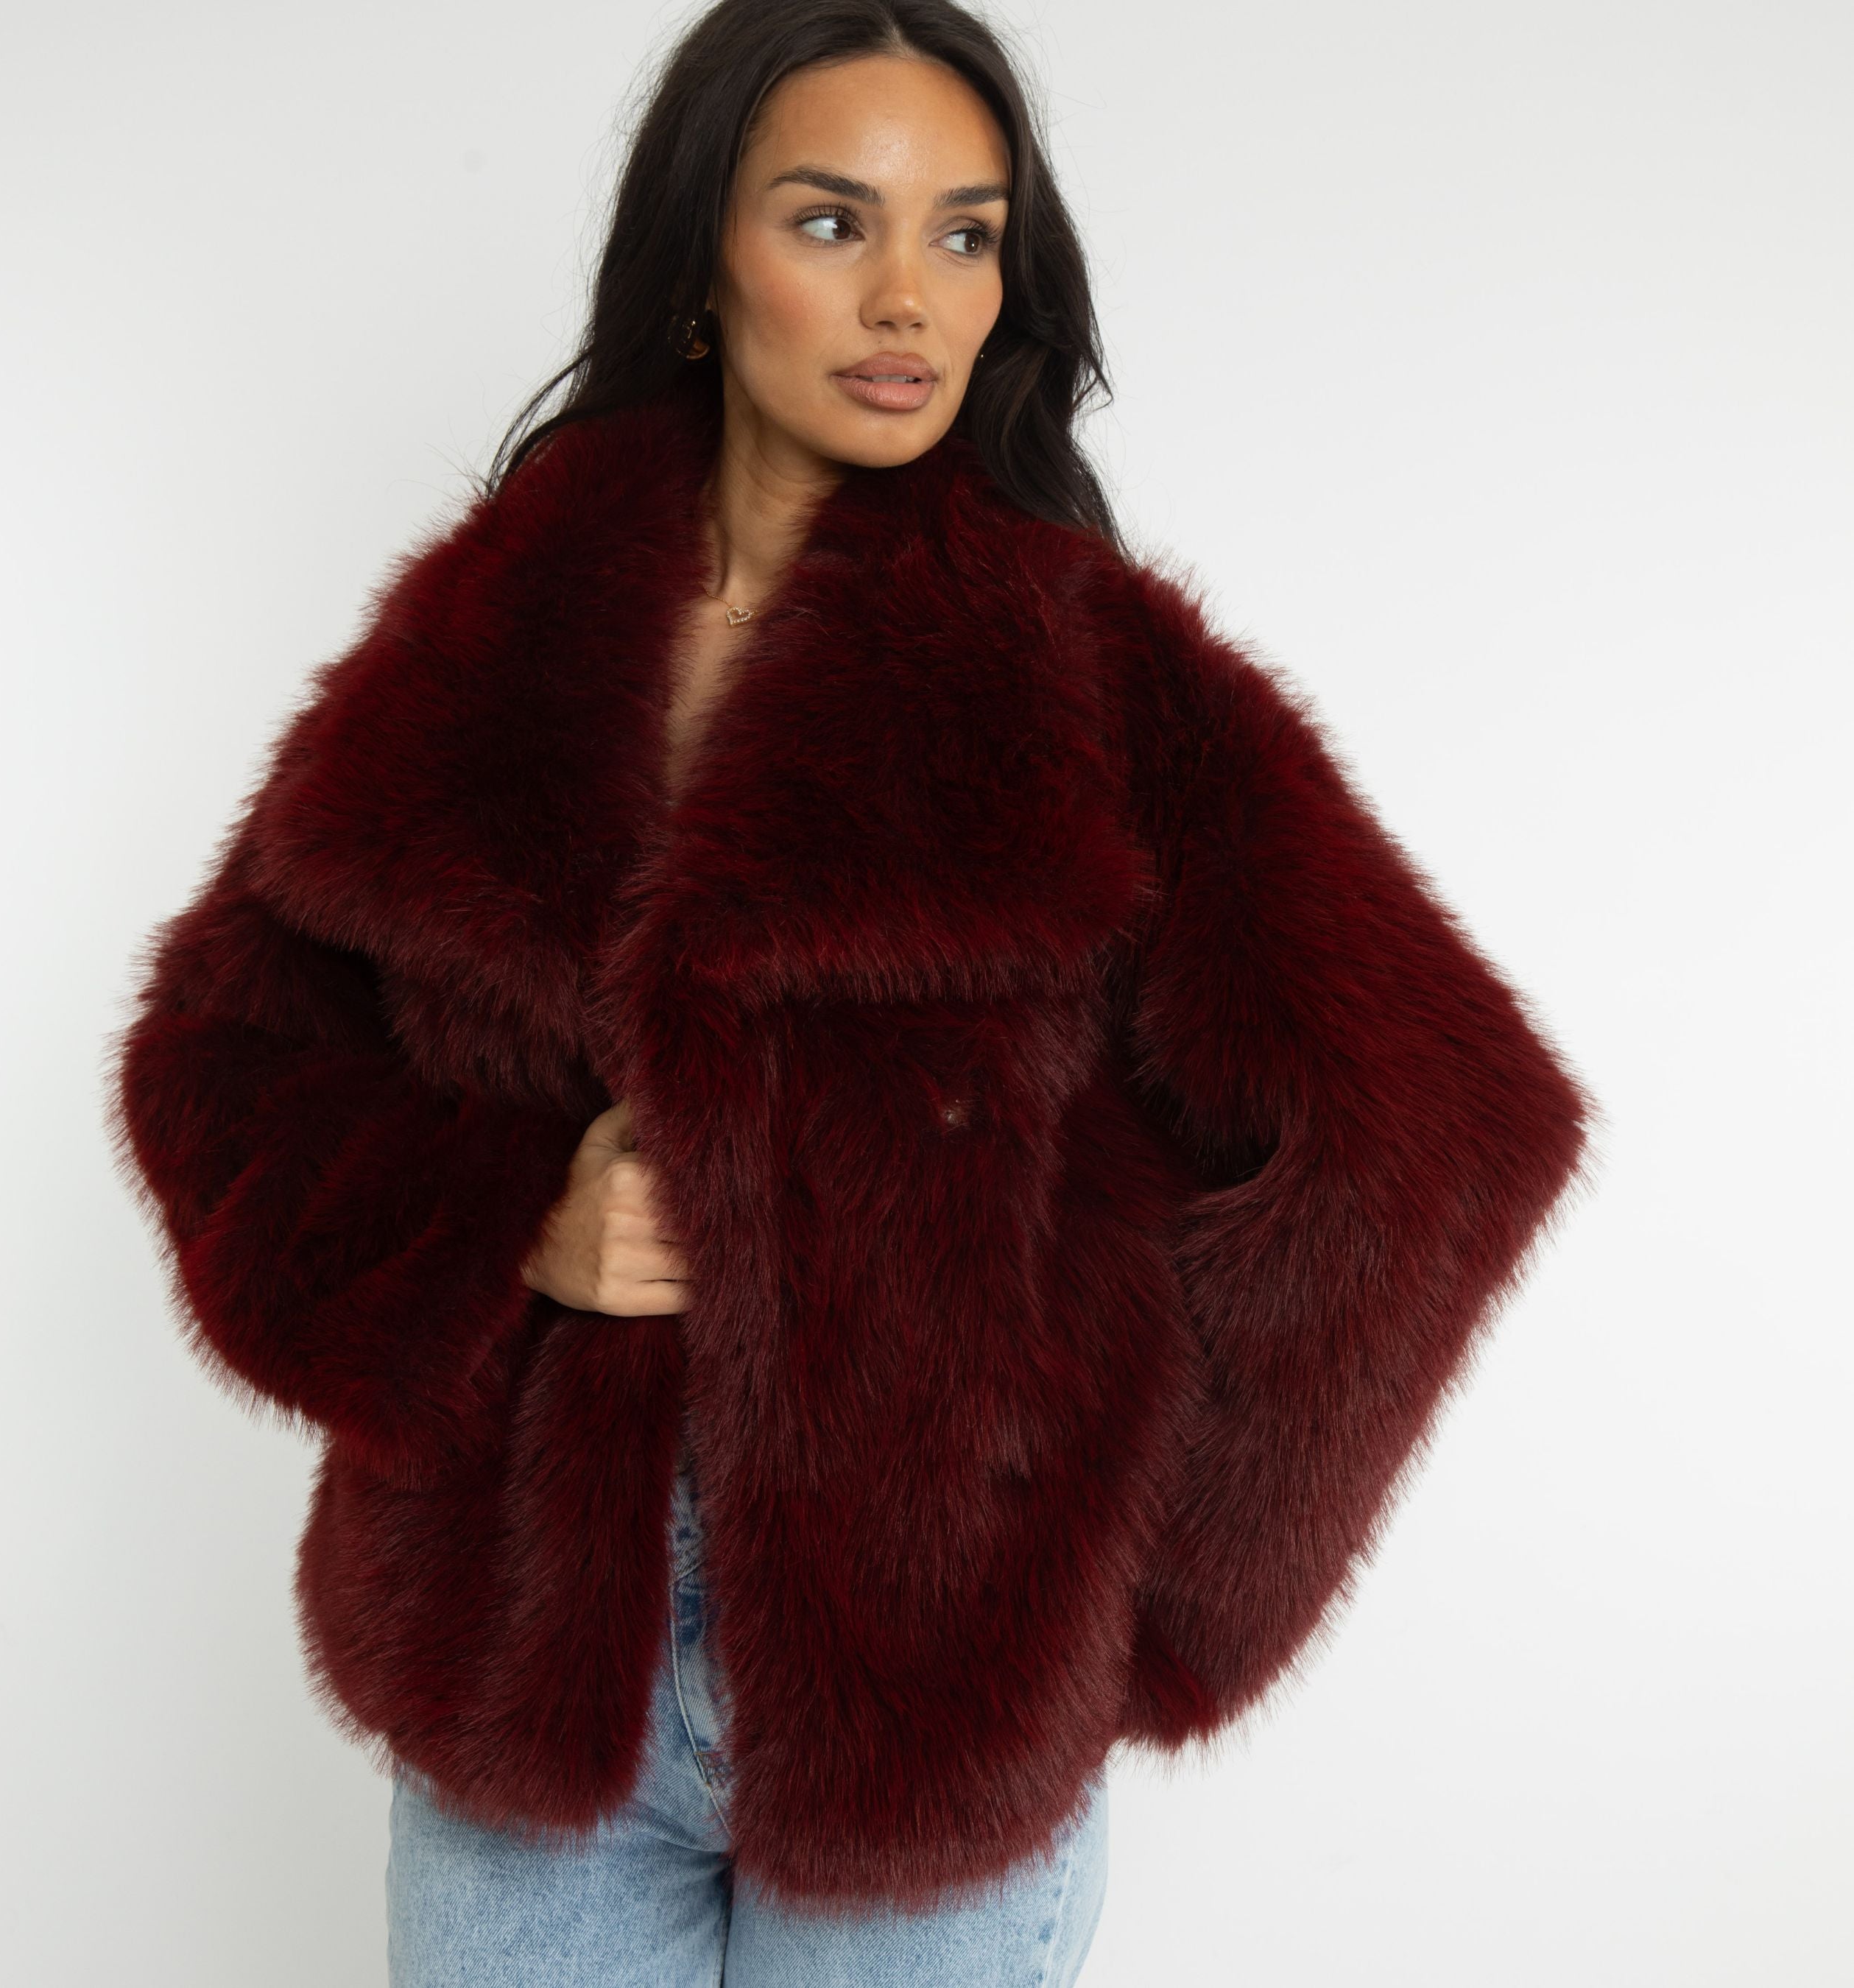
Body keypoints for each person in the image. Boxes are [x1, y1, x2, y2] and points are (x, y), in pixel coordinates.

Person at [108, 1, 1596, 1982]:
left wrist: (1138, 1585)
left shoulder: (1092, 673)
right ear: (700, 267)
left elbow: (1441, 1125)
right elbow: (220, 1056)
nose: (908, 295)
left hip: (930, 1719)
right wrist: (501, 1223)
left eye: (965, 235)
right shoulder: (491, 629)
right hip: (522, 1682)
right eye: (832, 221)